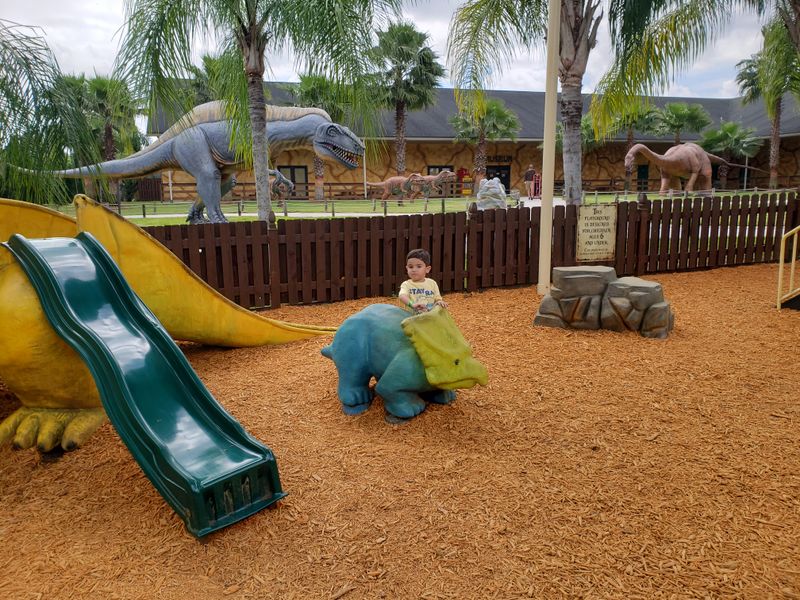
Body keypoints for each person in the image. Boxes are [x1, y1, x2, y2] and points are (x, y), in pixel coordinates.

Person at [398, 248, 447, 313]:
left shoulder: (432, 283)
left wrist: (439, 302)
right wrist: (412, 304)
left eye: (418, 266)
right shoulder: (406, 284)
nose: (414, 270)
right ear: (407, 268)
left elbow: (437, 299)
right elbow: (402, 296)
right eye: (411, 267)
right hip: (412, 318)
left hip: (429, 318)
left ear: (427, 269)